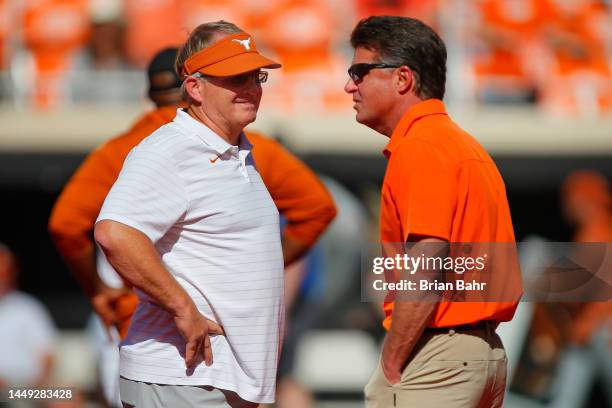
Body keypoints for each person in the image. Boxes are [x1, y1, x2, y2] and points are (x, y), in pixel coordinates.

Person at [49, 43, 336, 406]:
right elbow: (318, 208)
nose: (250, 88)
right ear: (193, 87)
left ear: (149, 93)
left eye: (254, 77)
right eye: (236, 78)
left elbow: (65, 224)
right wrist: (251, 274)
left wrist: (100, 292)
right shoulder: (202, 142)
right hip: (179, 348)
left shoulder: (123, 147)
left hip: (144, 321)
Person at [344, 16, 521, 407]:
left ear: (402, 79)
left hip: (438, 354)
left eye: (359, 71)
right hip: (479, 352)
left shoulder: (422, 146)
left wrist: (392, 360)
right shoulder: (461, 144)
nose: (349, 85)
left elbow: (427, 261)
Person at [0, 243, 57, 389]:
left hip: (26, 390)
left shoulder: (29, 308)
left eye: (5, 272)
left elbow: (48, 356)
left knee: (67, 396)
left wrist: (38, 385)